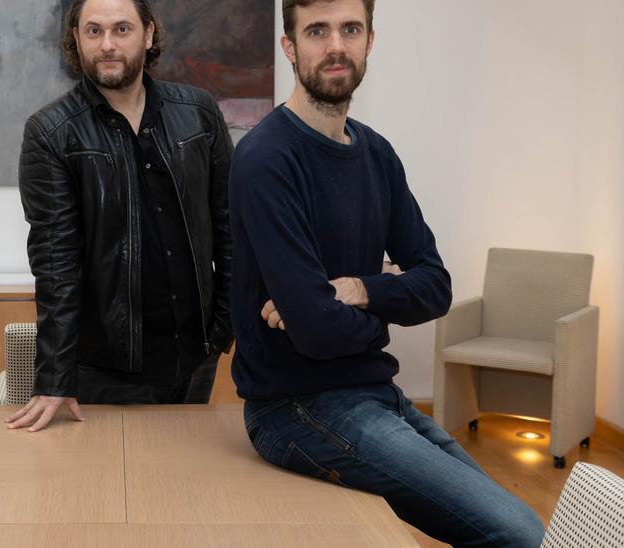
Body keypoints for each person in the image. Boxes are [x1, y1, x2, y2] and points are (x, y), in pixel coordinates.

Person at [229, 1, 545, 545]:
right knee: (515, 533)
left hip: (376, 393)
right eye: (317, 31)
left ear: (370, 40)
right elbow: (316, 332)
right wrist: (375, 312)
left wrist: (356, 290)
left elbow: (436, 286)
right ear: (290, 47)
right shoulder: (266, 159)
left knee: (521, 526)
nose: (335, 46)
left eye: (350, 29)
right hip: (297, 408)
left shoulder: (377, 155)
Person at [7, 0, 233, 431]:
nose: (107, 45)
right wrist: (55, 377)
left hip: (195, 356)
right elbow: (56, 265)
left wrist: (225, 325)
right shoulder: (51, 132)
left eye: (121, 30)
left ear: (148, 35)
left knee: (188, 484)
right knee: (105, 493)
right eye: (93, 31)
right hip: (104, 368)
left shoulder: (199, 113)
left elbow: (230, 229)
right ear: (76, 39)